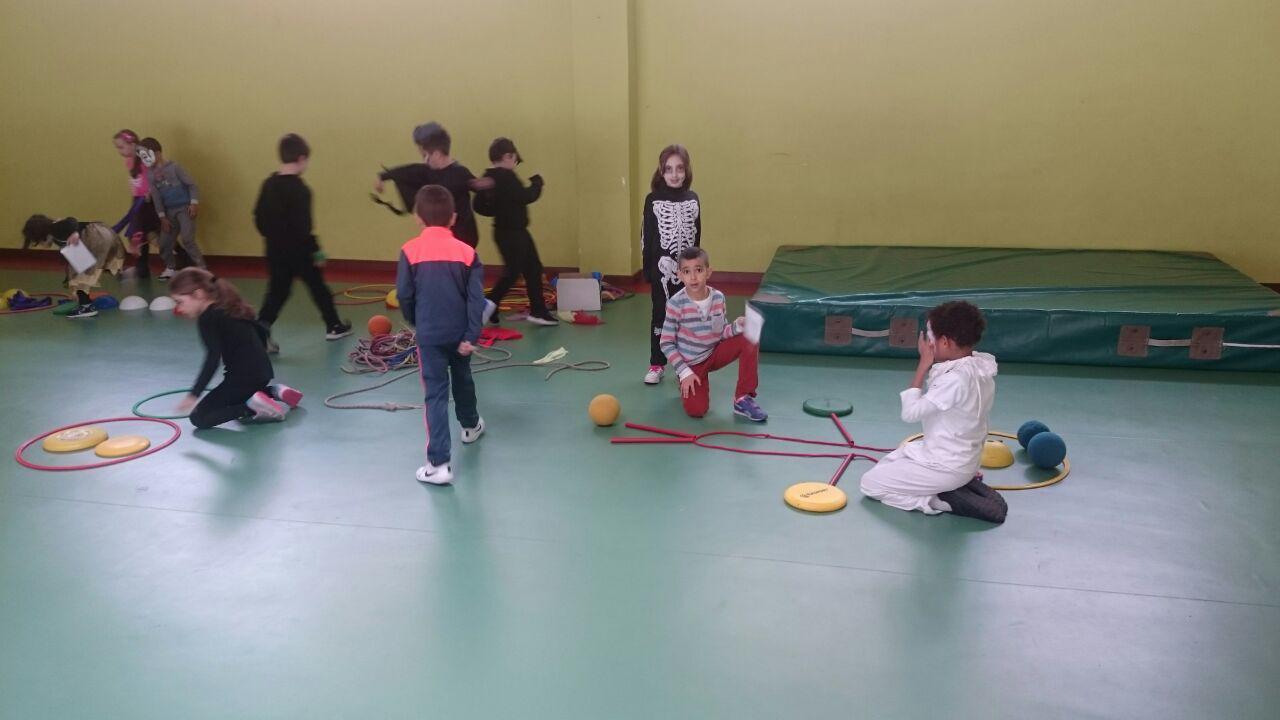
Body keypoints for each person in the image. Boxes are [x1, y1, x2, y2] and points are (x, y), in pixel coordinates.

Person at [859, 301, 1006, 523]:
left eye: (931, 338)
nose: (928, 343)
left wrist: (923, 363)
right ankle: (957, 484)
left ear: (945, 342)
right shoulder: (979, 368)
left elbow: (910, 413)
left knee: (870, 484)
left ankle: (940, 501)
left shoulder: (955, 379)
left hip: (947, 467)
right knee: (892, 461)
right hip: (963, 460)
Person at [395, 185, 486, 485]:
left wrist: (416, 321)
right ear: (453, 218)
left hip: (430, 336)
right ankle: (470, 427)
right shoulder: (468, 253)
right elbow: (476, 300)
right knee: (463, 378)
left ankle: (438, 464)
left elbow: (404, 294)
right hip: (461, 335)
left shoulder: (410, 251)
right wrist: (471, 335)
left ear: (417, 218)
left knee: (435, 393)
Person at [169, 268, 303, 429]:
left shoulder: (207, 318)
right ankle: (275, 391)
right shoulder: (229, 306)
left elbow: (212, 359)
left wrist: (194, 394)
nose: (178, 309)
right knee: (240, 395)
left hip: (242, 380)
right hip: (263, 374)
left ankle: (253, 407)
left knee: (199, 418)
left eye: (179, 302)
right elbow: (261, 331)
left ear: (199, 294)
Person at [253, 133, 351, 350]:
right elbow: (303, 227)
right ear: (301, 159)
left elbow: (258, 217)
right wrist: (316, 251)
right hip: (299, 251)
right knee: (318, 287)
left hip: (274, 250)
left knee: (277, 291)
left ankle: (260, 330)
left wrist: (273, 237)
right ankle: (334, 326)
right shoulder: (301, 190)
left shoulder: (268, 184)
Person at [659, 247, 766, 421]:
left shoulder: (718, 298)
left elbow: (720, 332)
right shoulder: (675, 304)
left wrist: (737, 326)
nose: (693, 277)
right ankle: (684, 380)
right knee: (697, 411)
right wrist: (684, 371)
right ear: (680, 275)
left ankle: (743, 398)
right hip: (691, 364)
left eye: (698, 270)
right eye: (687, 271)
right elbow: (666, 343)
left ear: (708, 272)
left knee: (749, 336)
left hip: (714, 353)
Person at [472, 137, 556, 325]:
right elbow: (525, 196)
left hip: (507, 232)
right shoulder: (506, 177)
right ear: (507, 156)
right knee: (514, 272)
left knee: (532, 268)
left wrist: (497, 208)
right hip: (513, 234)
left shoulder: (489, 178)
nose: (515, 164)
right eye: (515, 159)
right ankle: (489, 303)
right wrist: (537, 183)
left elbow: (479, 206)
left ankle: (537, 310)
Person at [374, 121, 492, 247]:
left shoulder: (460, 173)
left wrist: (487, 186)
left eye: (425, 156)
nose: (424, 160)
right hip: (440, 238)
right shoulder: (427, 171)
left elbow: (479, 188)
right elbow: (406, 171)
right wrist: (382, 177)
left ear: (436, 154)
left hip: (463, 237)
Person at [641, 144, 701, 384]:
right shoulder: (653, 200)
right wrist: (648, 269)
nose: (674, 174)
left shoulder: (693, 199)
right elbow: (647, 237)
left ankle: (683, 364)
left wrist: (697, 269)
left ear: (686, 170)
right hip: (662, 269)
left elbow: (697, 236)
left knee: (686, 317)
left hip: (687, 271)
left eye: (679, 168)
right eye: (669, 169)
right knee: (660, 315)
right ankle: (657, 363)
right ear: (661, 171)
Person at [21, 214, 128, 318]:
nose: (40, 245)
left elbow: (71, 221)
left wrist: (74, 233)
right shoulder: (59, 234)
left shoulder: (56, 229)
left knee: (79, 275)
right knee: (85, 270)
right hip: (106, 234)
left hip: (96, 237)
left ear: (40, 235)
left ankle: (86, 307)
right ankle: (126, 274)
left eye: (37, 242)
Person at [138, 137, 206, 278]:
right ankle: (171, 267)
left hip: (185, 209)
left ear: (157, 153)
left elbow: (192, 185)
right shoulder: (150, 175)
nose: (145, 160)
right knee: (164, 242)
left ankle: (202, 269)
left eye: (147, 155)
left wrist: (194, 203)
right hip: (169, 212)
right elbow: (156, 197)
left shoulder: (175, 167)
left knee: (187, 239)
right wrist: (162, 216)